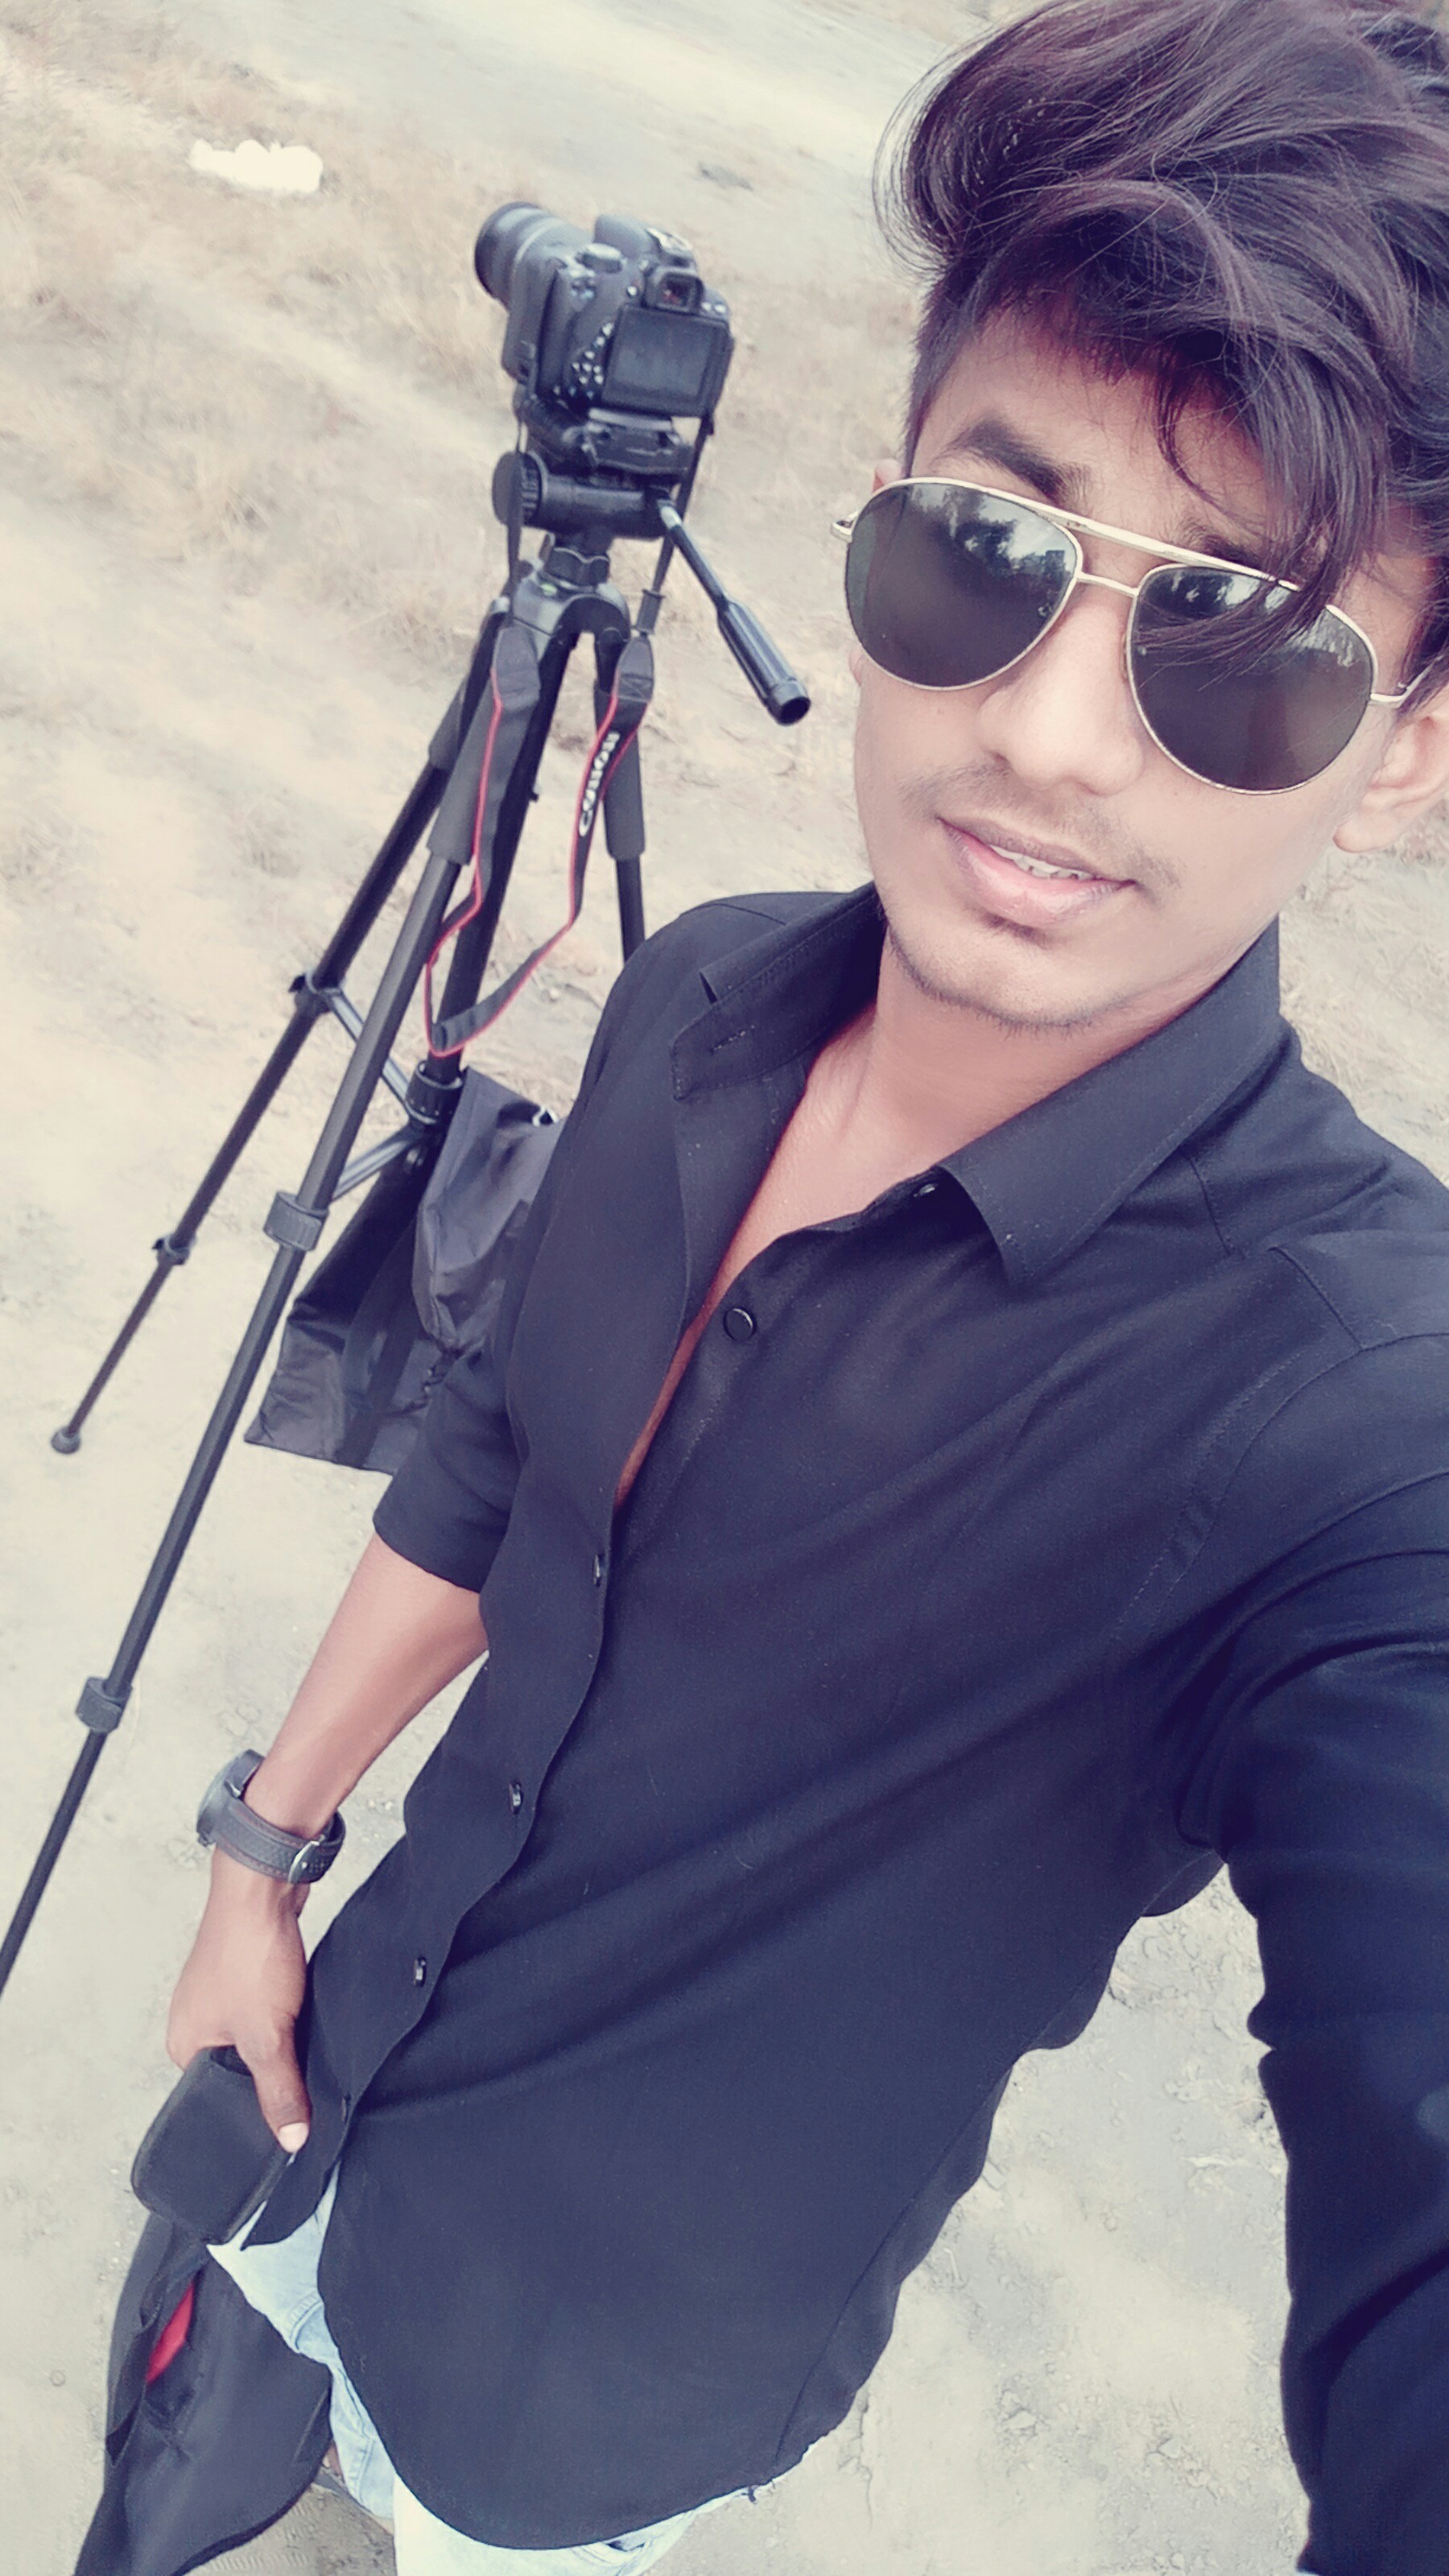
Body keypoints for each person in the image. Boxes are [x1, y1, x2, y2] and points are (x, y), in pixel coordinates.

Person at [160, 0, 1449, 2568]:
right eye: (990, 550)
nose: (1052, 735)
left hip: (584, 2426)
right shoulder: (700, 996)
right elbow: (495, 1454)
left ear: (1409, 742)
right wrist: (257, 1857)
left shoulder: (1353, 1422)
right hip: (308, 2119)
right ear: (875, 522)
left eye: (1240, 642)